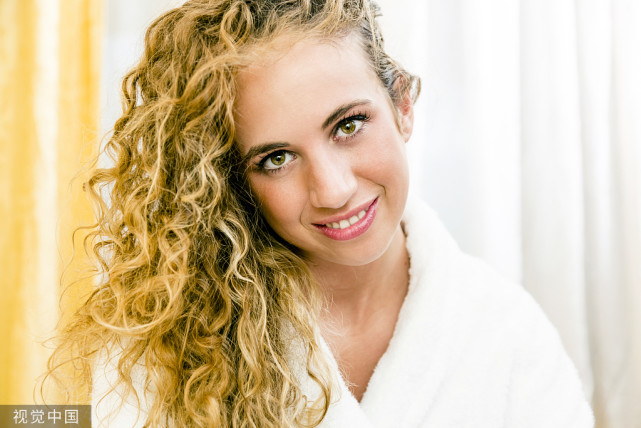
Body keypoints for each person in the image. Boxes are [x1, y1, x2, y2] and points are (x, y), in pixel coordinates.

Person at [45, 0, 594, 426]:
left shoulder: (508, 335)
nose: (333, 190)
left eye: (349, 125)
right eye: (277, 159)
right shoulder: (165, 338)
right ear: (232, 180)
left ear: (402, 105)